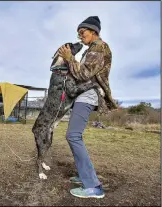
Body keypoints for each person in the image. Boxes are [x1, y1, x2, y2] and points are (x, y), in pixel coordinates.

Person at [57, 16, 118, 198]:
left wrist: (69, 58)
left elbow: (83, 74)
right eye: (78, 33)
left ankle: (92, 186)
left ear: (94, 32)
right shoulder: (91, 49)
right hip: (83, 94)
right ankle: (86, 176)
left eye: (82, 32)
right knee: (75, 136)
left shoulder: (99, 48)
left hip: (88, 95)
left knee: (73, 136)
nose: (80, 36)